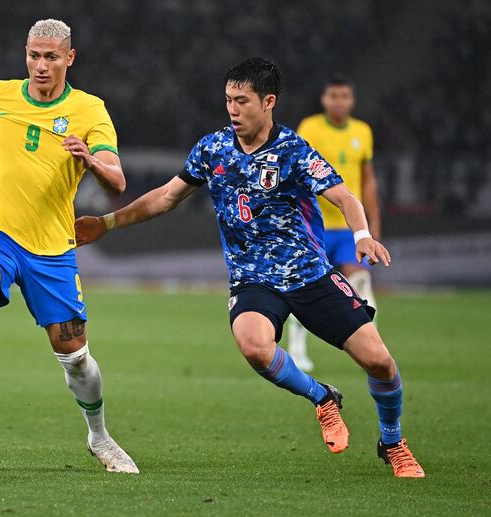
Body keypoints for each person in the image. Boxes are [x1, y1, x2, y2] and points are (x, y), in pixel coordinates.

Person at [75, 58, 424, 478]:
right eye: (228, 100)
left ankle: (392, 441)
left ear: (269, 101)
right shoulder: (212, 149)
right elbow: (165, 198)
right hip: (253, 280)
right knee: (253, 345)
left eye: (242, 101)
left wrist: (362, 235)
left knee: (380, 363)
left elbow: (346, 198)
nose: (233, 110)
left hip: (307, 273)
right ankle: (322, 398)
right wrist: (108, 222)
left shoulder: (293, 151)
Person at [0, 19, 138, 473]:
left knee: (76, 359)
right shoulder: (0, 95)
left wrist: (90, 160)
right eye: (34, 55)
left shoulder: (90, 111)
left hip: (52, 249)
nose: (40, 65)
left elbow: (117, 180)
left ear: (69, 58)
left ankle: (99, 437)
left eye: (51, 56)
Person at [287, 75, 380, 371]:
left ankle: (368, 348)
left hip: (348, 229)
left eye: (344, 96)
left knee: (360, 284)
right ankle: (297, 346)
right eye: (333, 96)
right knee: (304, 286)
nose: (338, 101)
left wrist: (371, 226)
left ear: (351, 100)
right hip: (313, 226)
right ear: (324, 99)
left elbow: (367, 181)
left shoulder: (362, 132)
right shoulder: (310, 128)